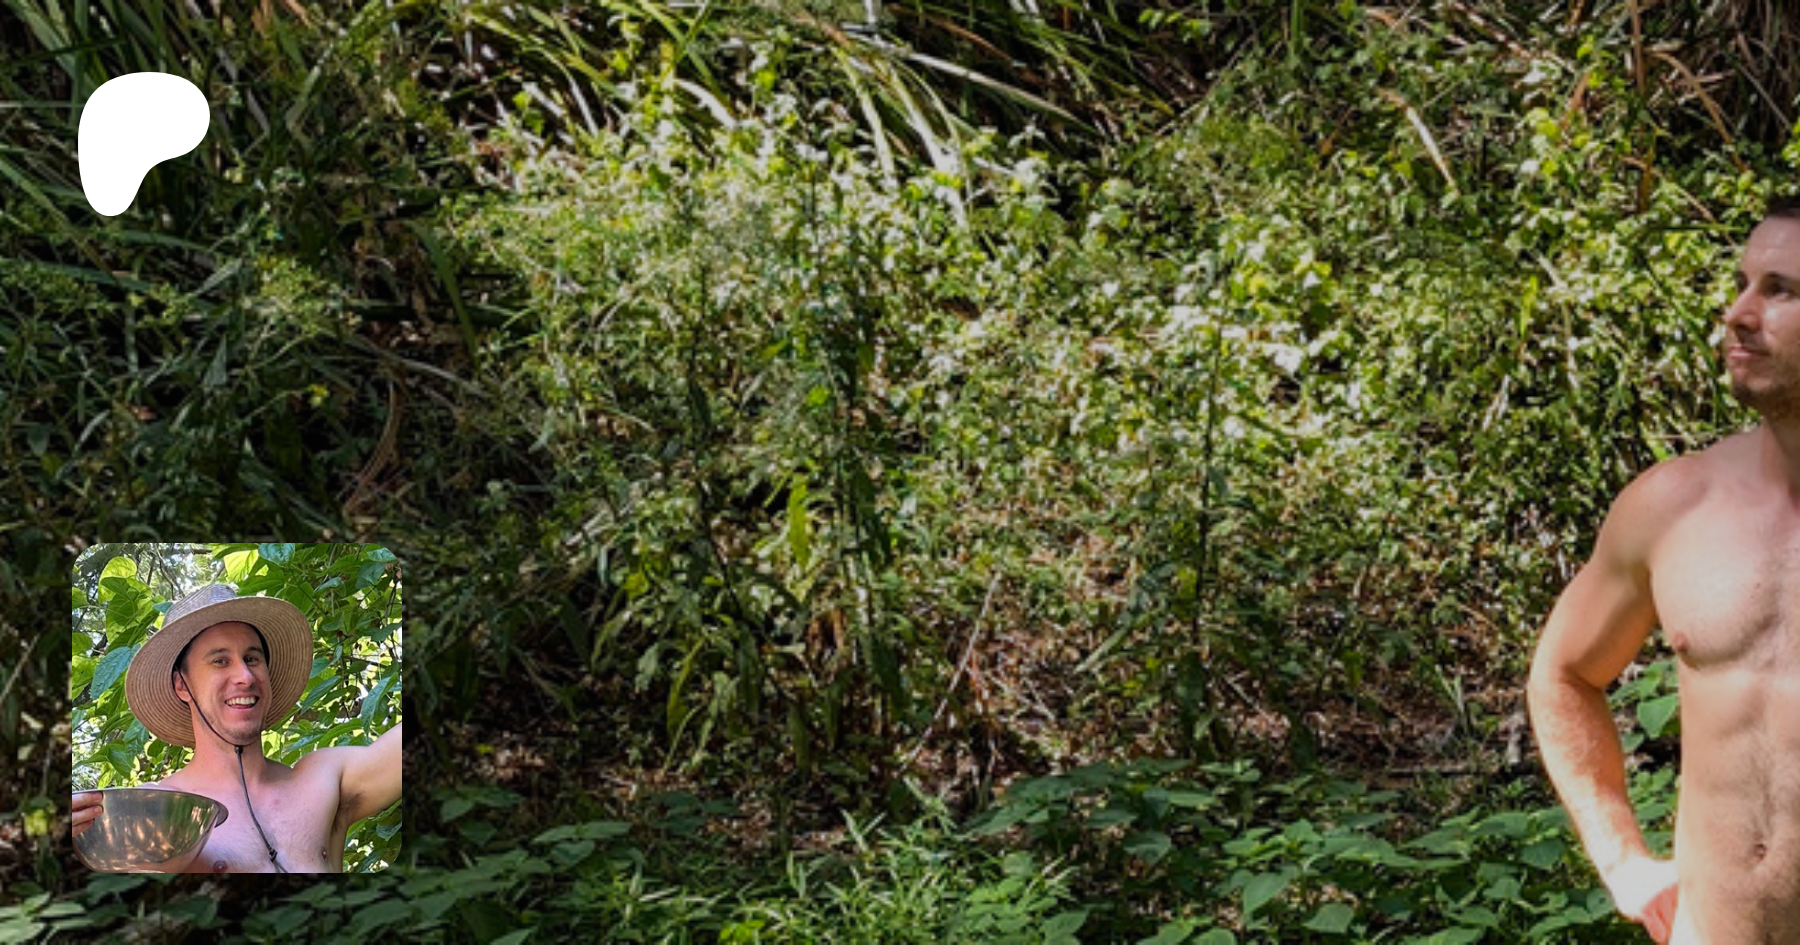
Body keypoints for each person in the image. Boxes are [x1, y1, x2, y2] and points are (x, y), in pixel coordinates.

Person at [1527, 195, 1800, 943]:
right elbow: (1563, 674)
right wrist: (1621, 859)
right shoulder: (1674, 506)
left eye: (1780, 290)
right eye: (1742, 284)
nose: (1738, 314)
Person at [72, 584, 402, 873]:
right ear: (182, 685)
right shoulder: (149, 813)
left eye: (252, 658)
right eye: (220, 661)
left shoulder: (323, 779)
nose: (245, 676)